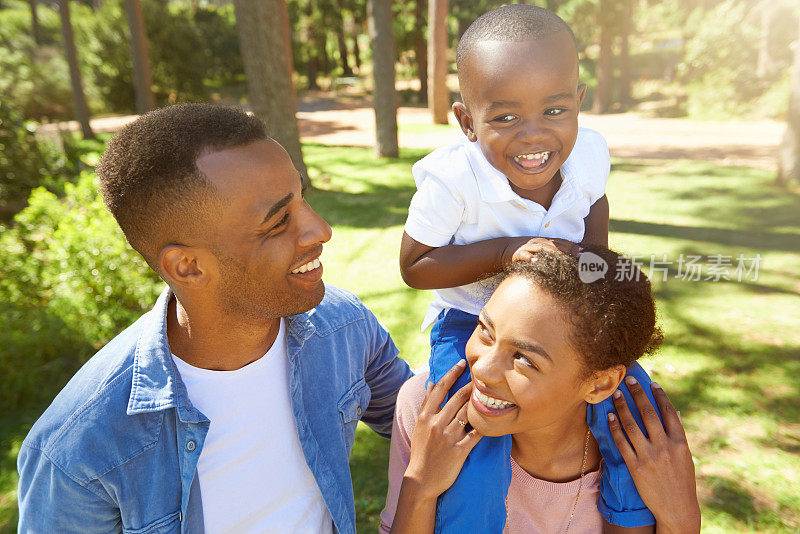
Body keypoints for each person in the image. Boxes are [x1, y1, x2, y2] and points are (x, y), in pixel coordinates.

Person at [16, 103, 413, 534]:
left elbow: (432, 431)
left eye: (304, 198)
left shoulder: (344, 327)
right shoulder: (78, 448)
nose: (320, 229)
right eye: (279, 221)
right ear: (188, 267)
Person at [398, 5, 657, 530]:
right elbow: (415, 264)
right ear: (468, 122)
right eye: (506, 117)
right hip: (474, 325)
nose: (535, 135)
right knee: (470, 434)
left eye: (555, 111)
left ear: (579, 102)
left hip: (559, 322)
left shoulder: (587, 154)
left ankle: (632, 518)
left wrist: (594, 268)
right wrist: (503, 252)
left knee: (631, 401)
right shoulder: (452, 180)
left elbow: (594, 203)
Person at [382, 248, 702, 533]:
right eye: (485, 331)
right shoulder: (428, 413)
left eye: (522, 359)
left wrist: (681, 520)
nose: (481, 369)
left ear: (600, 383)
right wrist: (420, 487)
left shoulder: (647, 456)